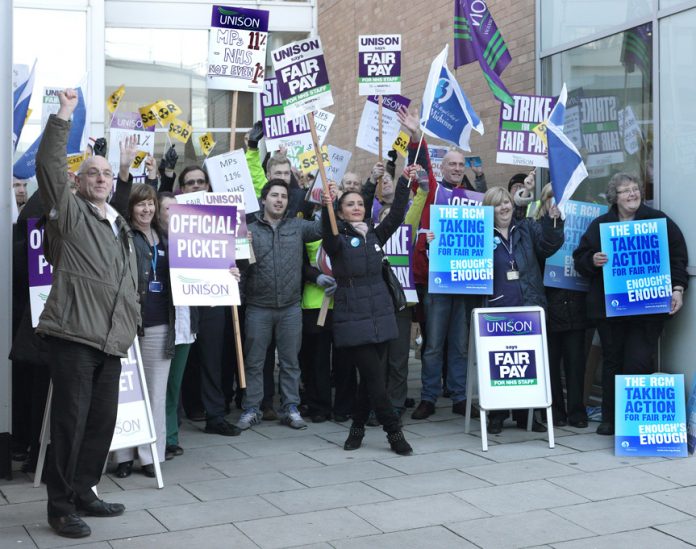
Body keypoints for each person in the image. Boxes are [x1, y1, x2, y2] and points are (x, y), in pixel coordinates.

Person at [36, 89, 140, 539]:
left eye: (105, 174)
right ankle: (59, 507)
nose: (99, 179)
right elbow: (50, 167)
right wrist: (64, 115)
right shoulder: (71, 215)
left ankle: (84, 491)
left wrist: (129, 328)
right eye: (91, 173)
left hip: (111, 343)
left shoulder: (120, 226)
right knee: (70, 424)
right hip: (75, 337)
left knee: (101, 424)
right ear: (78, 183)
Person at [573, 173, 688, 435]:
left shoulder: (658, 221)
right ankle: (611, 419)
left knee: (638, 361)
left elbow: (678, 257)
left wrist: (678, 288)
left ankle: (634, 424)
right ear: (615, 197)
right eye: (625, 191)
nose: (632, 194)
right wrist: (593, 260)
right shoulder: (601, 225)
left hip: (647, 309)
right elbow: (580, 258)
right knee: (612, 360)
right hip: (611, 309)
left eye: (635, 189)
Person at [397, 105, 487, 421]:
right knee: (433, 344)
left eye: (461, 164)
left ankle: (462, 397)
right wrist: (415, 135)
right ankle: (429, 397)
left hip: (465, 281)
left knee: (460, 346)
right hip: (437, 280)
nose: (457, 168)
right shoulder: (434, 192)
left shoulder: (472, 196)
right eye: (452, 164)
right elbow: (422, 165)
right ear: (443, 167)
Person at [320, 166, 418, 456]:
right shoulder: (337, 241)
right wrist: (327, 207)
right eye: (349, 204)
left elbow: (399, 213)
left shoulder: (375, 236)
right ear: (340, 211)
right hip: (354, 317)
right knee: (376, 378)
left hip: (381, 314)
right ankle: (394, 433)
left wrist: (404, 181)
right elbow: (327, 232)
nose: (356, 208)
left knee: (370, 380)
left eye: (360, 204)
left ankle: (357, 429)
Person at [237, 179, 323, 431]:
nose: (279, 200)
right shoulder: (249, 229)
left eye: (283, 196)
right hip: (258, 307)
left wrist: (332, 203)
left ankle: (291, 408)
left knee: (290, 361)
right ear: (264, 199)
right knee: (254, 361)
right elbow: (239, 268)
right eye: (274, 195)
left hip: (289, 308)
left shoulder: (298, 227)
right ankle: (252, 408)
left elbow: (322, 231)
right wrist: (243, 245)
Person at [480, 186, 564, 434]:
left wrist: (553, 221)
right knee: (500, 363)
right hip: (497, 308)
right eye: (497, 204)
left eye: (506, 202)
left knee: (529, 363)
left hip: (529, 304)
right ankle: (496, 415)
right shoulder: (481, 234)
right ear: (489, 209)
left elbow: (549, 246)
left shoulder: (526, 227)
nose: (504, 207)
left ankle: (527, 415)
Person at [112, 184, 174, 478]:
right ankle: (123, 456)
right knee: (126, 395)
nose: (146, 209)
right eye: (140, 204)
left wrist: (224, 271)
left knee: (155, 395)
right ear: (132, 207)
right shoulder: (123, 234)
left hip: (161, 324)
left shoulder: (168, 237)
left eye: (150, 204)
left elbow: (196, 267)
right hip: (129, 323)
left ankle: (152, 456)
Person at [535, 184, 589, 428]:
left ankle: (577, 411)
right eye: (551, 199)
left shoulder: (583, 227)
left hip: (577, 304)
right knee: (551, 364)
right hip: (549, 306)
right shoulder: (536, 228)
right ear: (544, 202)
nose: (556, 204)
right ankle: (555, 411)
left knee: (576, 364)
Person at [158, 192, 199, 459]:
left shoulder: (193, 241)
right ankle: (160, 438)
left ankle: (170, 437)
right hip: (163, 323)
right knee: (158, 385)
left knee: (174, 384)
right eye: (167, 209)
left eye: (176, 208)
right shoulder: (154, 242)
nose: (173, 213)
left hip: (187, 324)